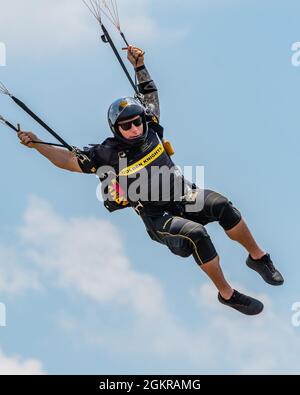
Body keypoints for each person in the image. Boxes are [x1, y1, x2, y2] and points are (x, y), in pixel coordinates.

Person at [17, 45, 284, 315]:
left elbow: (149, 94)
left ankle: (258, 257)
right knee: (197, 234)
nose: (135, 129)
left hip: (184, 197)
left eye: (137, 122)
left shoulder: (151, 125)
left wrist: (139, 65)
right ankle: (227, 294)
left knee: (223, 205)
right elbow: (68, 161)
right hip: (159, 217)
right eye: (127, 126)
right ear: (115, 129)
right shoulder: (107, 153)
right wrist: (38, 144)